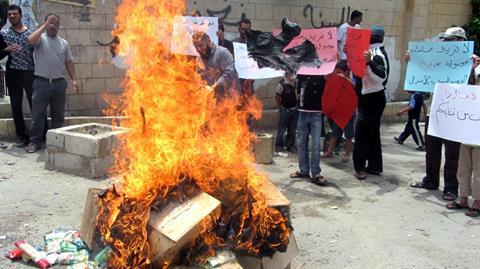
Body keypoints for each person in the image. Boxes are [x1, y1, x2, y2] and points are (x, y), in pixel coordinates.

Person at [409, 27, 473, 201]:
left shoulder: (470, 63)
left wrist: (474, 67)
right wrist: (413, 63)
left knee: (453, 153)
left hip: (455, 116)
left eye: (450, 40)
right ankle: (430, 180)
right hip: (434, 112)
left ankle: (451, 188)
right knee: (431, 149)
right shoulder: (438, 59)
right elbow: (421, 79)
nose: (446, 43)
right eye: (445, 40)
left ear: (460, 41)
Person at [25, 14, 79, 153]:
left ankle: (56, 142)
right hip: (41, 82)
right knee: (37, 115)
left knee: (58, 115)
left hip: (59, 84)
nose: (53, 26)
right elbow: (30, 40)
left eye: (55, 24)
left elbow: (69, 62)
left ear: (59, 26)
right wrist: (43, 26)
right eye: (50, 23)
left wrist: (74, 79)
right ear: (45, 24)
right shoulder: (40, 39)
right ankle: (35, 142)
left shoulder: (63, 43)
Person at [352, 25, 389, 180]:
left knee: (361, 134)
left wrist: (369, 63)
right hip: (371, 97)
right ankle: (374, 166)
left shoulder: (376, 54)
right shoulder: (372, 52)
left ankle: (360, 167)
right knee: (373, 133)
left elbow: (382, 77)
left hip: (372, 98)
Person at [0, 4, 35, 147]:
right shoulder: (4, 34)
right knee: (15, 105)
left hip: (29, 72)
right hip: (13, 73)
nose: (12, 16)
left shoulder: (30, 33)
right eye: (9, 14)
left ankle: (41, 134)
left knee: (36, 104)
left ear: (20, 15)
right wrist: (6, 50)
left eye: (14, 13)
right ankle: (22, 136)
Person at [289, 75, 327, 185]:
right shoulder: (301, 76)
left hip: (316, 114)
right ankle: (303, 170)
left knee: (316, 145)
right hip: (302, 113)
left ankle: (315, 173)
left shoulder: (321, 76)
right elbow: (297, 90)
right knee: (301, 143)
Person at [322, 62, 356, 162]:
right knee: (335, 133)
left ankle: (347, 153)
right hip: (338, 113)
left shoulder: (350, 80)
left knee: (349, 135)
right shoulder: (335, 79)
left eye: (339, 72)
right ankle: (329, 151)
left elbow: (355, 86)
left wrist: (344, 78)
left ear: (346, 72)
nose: (337, 74)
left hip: (348, 113)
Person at [192, 31, 239, 100]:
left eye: (201, 45)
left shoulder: (223, 52)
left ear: (209, 41)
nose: (199, 49)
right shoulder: (199, 59)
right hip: (212, 99)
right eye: (196, 47)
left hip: (229, 97)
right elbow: (199, 78)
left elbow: (229, 74)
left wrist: (213, 87)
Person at [275, 73, 298, 153]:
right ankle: (278, 145)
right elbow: (277, 96)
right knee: (281, 128)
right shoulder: (281, 84)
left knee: (292, 129)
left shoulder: (295, 82)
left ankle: (290, 145)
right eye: (291, 75)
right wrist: (279, 108)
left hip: (294, 109)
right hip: (284, 109)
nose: (292, 76)